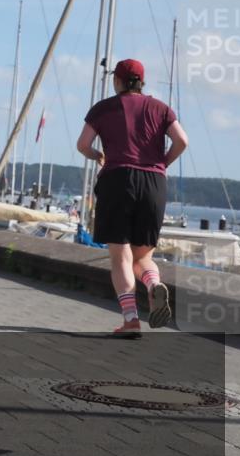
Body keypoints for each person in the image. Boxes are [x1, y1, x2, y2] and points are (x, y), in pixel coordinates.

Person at [76, 58, 188, 337]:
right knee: (143, 257)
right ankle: (152, 285)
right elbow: (182, 141)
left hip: (117, 179)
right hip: (154, 182)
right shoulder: (161, 109)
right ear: (142, 81)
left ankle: (130, 320)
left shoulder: (103, 108)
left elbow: (83, 145)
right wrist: (162, 164)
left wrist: (97, 156)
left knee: (121, 256)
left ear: (117, 81)